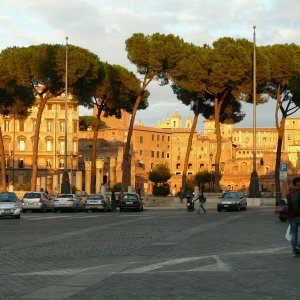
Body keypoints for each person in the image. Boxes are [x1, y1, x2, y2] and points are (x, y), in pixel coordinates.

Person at [286, 176, 300, 256]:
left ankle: (294, 251)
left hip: (291, 216)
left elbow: (289, 205)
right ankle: (298, 247)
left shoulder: (288, 193)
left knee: (294, 233)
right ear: (297, 183)